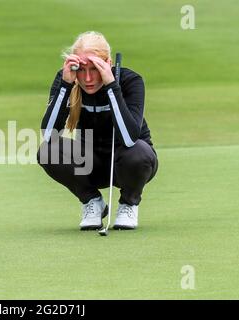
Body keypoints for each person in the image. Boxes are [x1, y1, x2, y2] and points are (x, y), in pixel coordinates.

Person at [36, 31, 158, 230]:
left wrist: (111, 85)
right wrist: (66, 85)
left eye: (94, 69)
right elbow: (50, 135)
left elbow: (128, 138)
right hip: (90, 164)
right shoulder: (67, 79)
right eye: (82, 70)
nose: (88, 78)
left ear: (108, 63)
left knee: (138, 152)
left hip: (130, 164)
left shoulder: (130, 81)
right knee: (48, 152)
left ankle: (129, 203)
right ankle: (92, 201)